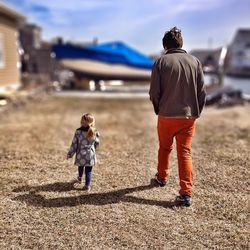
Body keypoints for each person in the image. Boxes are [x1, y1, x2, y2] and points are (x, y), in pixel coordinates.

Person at [149, 27, 206, 206]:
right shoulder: (195, 62)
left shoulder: (161, 62)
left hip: (166, 115)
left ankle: (162, 177)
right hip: (188, 117)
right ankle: (186, 193)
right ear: (181, 43)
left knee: (165, 148)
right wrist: (196, 112)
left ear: (165, 45)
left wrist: (159, 110)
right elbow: (202, 93)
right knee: (185, 152)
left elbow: (154, 93)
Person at [67, 113, 100, 191]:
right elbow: (97, 143)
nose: (82, 123)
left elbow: (74, 143)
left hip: (80, 153)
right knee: (88, 170)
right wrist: (93, 150)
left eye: (83, 122)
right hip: (90, 154)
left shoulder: (78, 131)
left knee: (80, 166)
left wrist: (70, 153)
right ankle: (87, 186)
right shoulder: (95, 131)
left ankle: (80, 178)